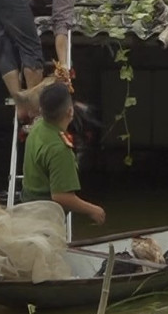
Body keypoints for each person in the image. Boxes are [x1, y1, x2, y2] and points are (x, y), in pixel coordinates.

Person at [21, 82, 106, 225]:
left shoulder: (38, 127)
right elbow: (61, 196)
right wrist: (93, 210)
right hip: (45, 220)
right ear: (70, 112)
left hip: (28, 210)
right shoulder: (59, 149)